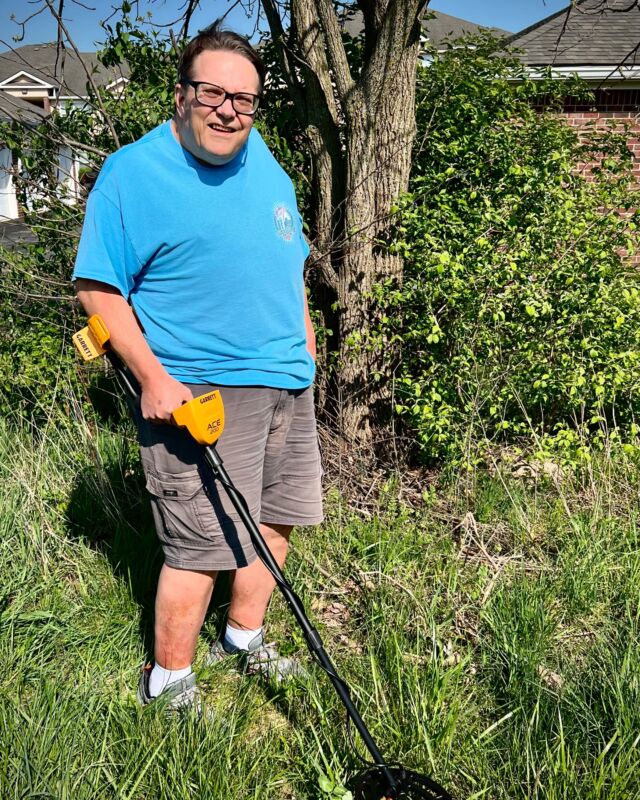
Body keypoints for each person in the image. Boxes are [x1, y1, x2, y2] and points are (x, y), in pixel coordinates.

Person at [73, 24, 323, 713]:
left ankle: (244, 638)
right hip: (199, 391)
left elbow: (288, 257)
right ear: (180, 94)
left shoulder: (260, 155)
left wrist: (303, 335)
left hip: (287, 382)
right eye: (212, 92)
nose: (229, 110)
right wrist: (154, 378)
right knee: (201, 546)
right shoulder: (134, 172)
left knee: (277, 521)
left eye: (244, 99)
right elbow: (97, 288)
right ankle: (171, 682)